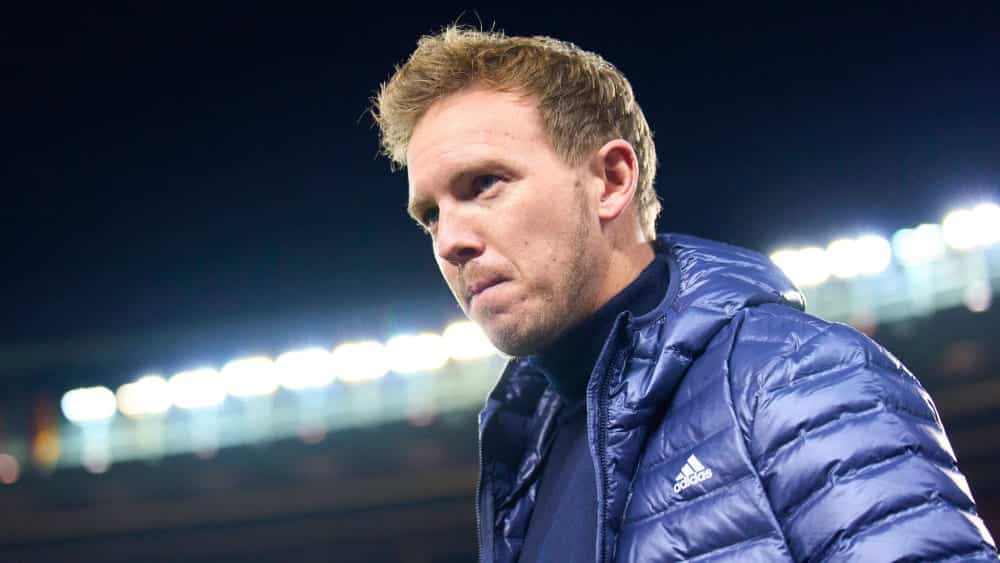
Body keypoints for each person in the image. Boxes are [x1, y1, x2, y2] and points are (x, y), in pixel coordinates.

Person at [371, 25, 998, 562]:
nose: (450, 241)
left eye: (484, 184)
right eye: (430, 216)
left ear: (611, 181)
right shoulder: (521, 456)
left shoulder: (798, 379)